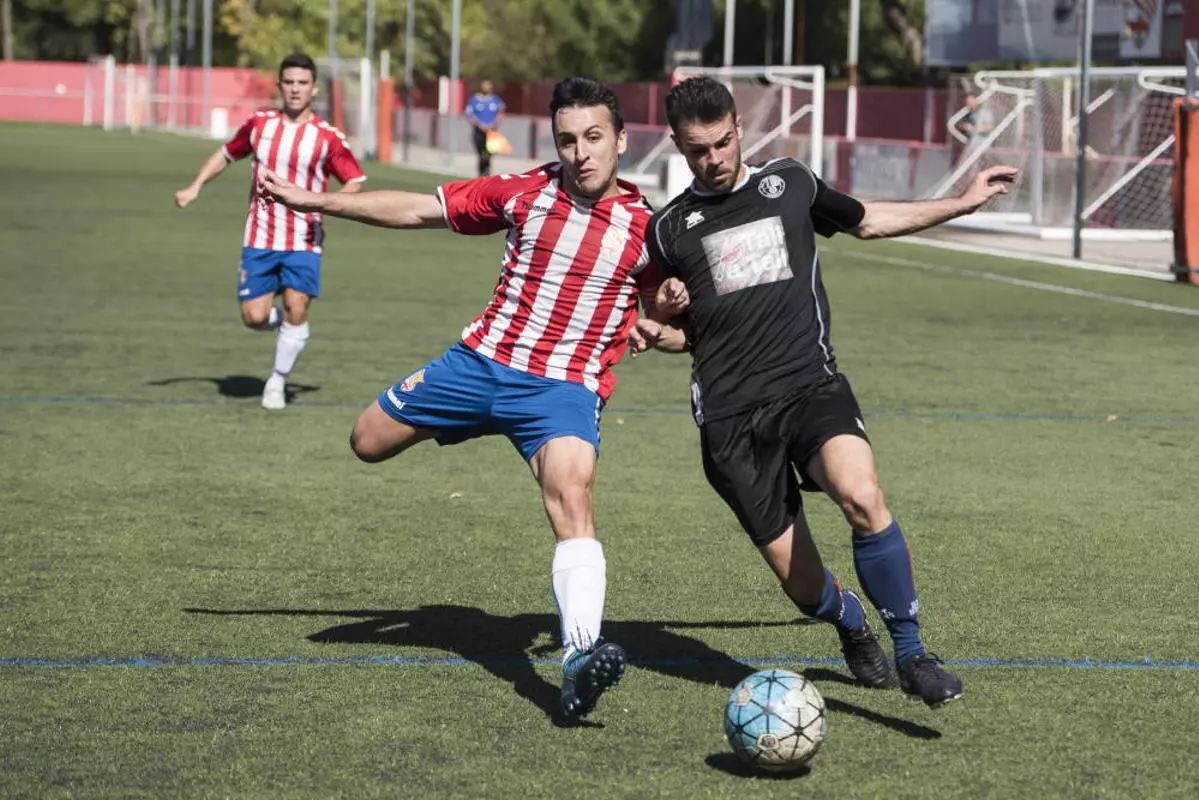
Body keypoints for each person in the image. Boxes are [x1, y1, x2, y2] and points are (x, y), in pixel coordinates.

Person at [259, 77, 668, 720]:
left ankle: (577, 659)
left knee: (572, 494)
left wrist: (661, 325)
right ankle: (453, 421)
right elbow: (416, 210)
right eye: (568, 140)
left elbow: (679, 324)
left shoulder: (652, 230)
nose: (581, 152)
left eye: (594, 137)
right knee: (366, 441)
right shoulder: (524, 193)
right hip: (478, 366)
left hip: (561, 388)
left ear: (621, 139)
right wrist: (315, 200)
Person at [631, 76, 1018, 708]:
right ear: (678, 145)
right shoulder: (668, 229)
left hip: (808, 384)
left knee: (861, 494)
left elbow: (868, 221)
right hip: (731, 421)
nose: (714, 159)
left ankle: (913, 653)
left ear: (739, 128)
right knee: (803, 586)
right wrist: (659, 322)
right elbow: (673, 333)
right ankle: (849, 621)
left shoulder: (790, 182)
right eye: (698, 150)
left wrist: (962, 203)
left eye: (722, 142)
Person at [174, 52, 366, 411]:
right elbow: (226, 154)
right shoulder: (259, 125)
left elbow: (355, 180)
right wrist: (195, 185)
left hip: (304, 239)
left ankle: (276, 381)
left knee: (296, 306)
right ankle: (288, 327)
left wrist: (327, 203)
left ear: (314, 88)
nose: (295, 89)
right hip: (260, 237)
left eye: (302, 83)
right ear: (280, 85)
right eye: (289, 82)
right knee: (254, 317)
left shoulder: (327, 137)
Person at [465, 79, 507, 177]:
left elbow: (501, 113)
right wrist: (480, 125)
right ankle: (481, 174)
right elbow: (470, 115)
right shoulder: (474, 100)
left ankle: (487, 173)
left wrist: (494, 124)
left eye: (487, 85)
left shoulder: (496, 100)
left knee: (489, 153)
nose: (485, 87)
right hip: (479, 131)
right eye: (484, 85)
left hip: (491, 131)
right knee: (481, 154)